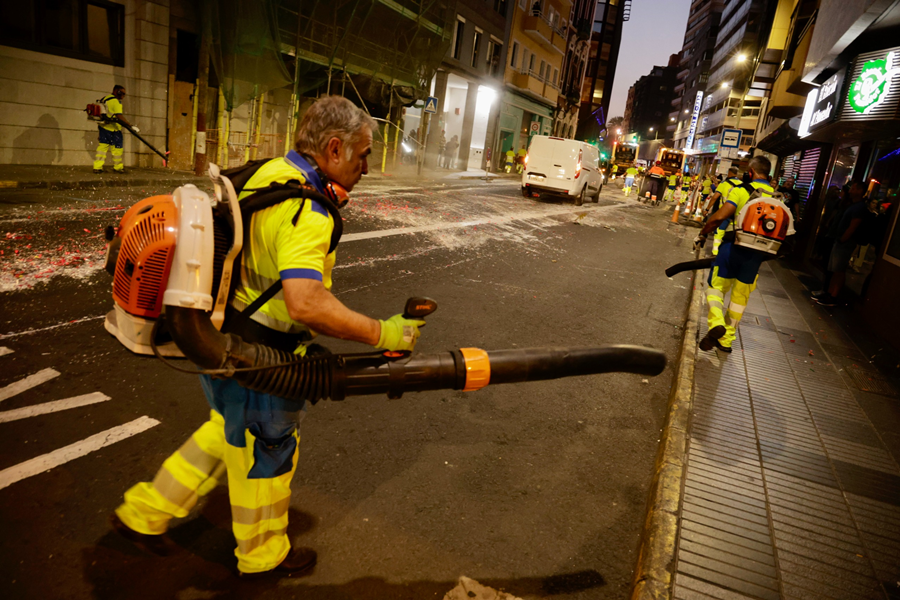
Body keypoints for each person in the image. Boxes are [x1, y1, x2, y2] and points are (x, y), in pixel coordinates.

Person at [110, 96, 427, 578]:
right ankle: (262, 555)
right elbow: (305, 302)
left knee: (225, 431)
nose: (367, 166)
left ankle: (145, 513)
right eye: (362, 154)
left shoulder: (268, 172)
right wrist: (383, 331)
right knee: (266, 452)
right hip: (262, 358)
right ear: (334, 148)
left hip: (219, 339)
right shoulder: (308, 211)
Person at [694, 156, 777, 353]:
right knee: (740, 300)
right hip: (756, 257)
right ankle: (727, 340)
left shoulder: (741, 190)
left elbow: (719, 217)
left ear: (751, 172)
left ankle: (716, 324)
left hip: (733, 249)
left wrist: (703, 233)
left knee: (715, 288)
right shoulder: (778, 197)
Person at [814, 180, 872, 306]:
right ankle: (829, 293)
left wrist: (842, 239)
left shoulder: (859, 207)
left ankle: (833, 296)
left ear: (860, 191)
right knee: (835, 269)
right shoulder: (853, 205)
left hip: (845, 242)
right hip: (840, 241)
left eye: (854, 188)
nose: (850, 190)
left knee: (839, 270)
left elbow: (853, 226)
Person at [93, 85, 138, 174]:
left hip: (104, 128)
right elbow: (119, 116)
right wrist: (130, 125)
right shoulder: (116, 101)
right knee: (117, 149)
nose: (123, 96)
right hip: (114, 129)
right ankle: (118, 167)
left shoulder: (105, 98)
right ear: (116, 91)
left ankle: (97, 167)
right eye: (122, 93)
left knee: (102, 148)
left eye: (124, 94)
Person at [703, 167, 742, 256]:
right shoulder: (742, 184)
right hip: (736, 214)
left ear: (729, 173)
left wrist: (707, 209)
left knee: (719, 232)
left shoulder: (724, 184)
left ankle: (715, 252)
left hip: (724, 212)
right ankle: (727, 253)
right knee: (731, 234)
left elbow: (715, 197)